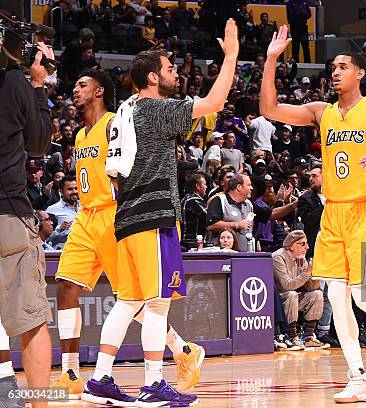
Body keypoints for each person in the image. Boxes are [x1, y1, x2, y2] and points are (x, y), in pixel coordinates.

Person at [260, 26, 366, 403]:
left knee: (363, 295)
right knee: (336, 297)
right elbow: (269, 109)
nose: (334, 72)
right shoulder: (322, 112)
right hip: (333, 212)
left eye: (342, 66)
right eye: (332, 67)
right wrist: (272, 59)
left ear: (360, 73)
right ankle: (358, 375)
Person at [84, 20, 239, 406]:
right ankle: (154, 384)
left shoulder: (125, 109)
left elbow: (117, 174)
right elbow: (215, 104)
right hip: (153, 216)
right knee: (156, 303)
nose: (176, 74)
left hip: (127, 217)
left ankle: (101, 377)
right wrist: (232, 55)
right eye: (170, 69)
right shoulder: (155, 109)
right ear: (153, 77)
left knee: (127, 301)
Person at [52, 69, 204, 401]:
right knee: (66, 284)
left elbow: (126, 168)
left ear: (99, 91)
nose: (74, 90)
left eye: (82, 85)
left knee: (133, 299)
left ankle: (182, 350)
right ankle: (70, 372)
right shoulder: (80, 135)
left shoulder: (113, 122)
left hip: (113, 214)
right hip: (85, 215)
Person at [0, 42, 55, 408]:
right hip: (9, 215)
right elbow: (38, 144)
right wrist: (37, 83)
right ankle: (38, 404)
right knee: (31, 318)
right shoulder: (15, 82)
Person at [272, 230, 327, 348]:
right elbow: (286, 286)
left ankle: (308, 336)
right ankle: (292, 336)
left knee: (317, 294)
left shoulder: (301, 258)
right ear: (291, 245)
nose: (307, 247)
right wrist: (306, 274)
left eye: (306, 244)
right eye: (302, 244)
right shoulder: (278, 257)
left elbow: (310, 287)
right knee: (291, 294)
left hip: (293, 297)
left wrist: (316, 274)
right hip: (277, 301)